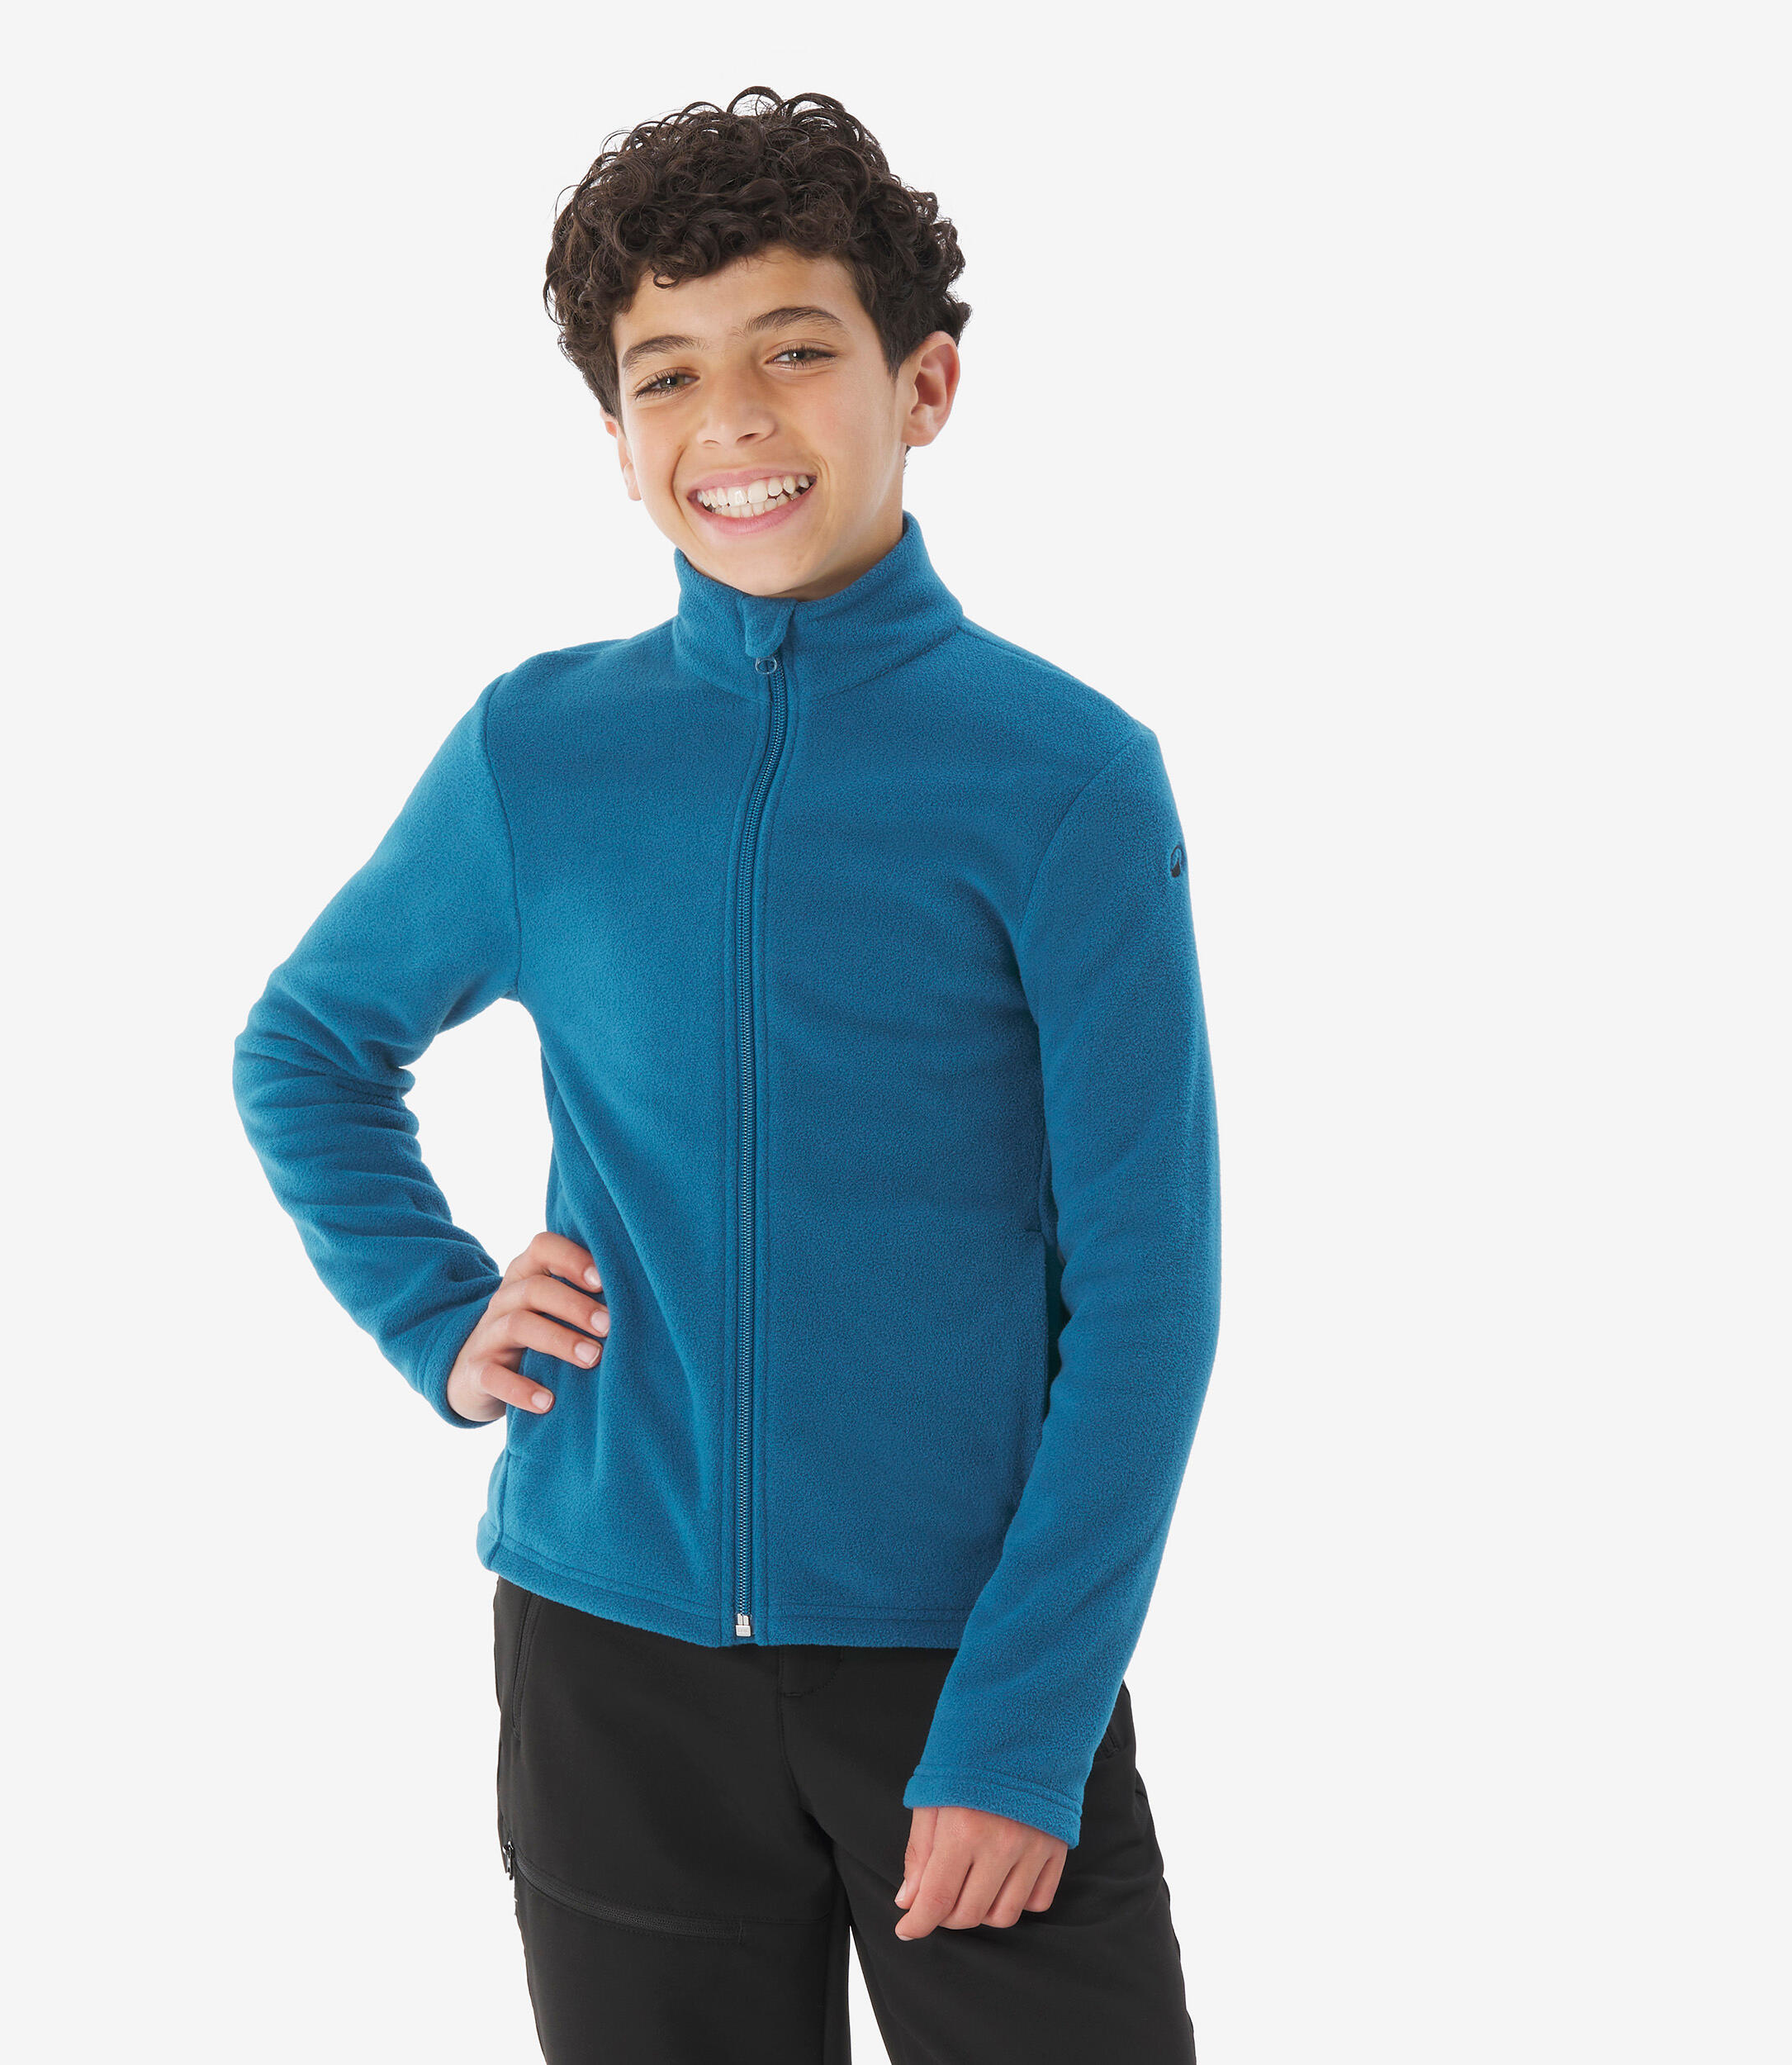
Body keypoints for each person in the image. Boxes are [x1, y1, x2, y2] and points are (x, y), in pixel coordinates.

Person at [235, 85, 1221, 2065]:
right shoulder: (540, 753)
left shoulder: (1063, 778)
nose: (732, 421)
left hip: (958, 1662)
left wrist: (1022, 1721)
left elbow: (1145, 1288)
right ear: (618, 443)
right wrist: (438, 1311)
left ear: (922, 384)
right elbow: (308, 1046)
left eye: (793, 351)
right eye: (666, 375)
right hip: (609, 1662)